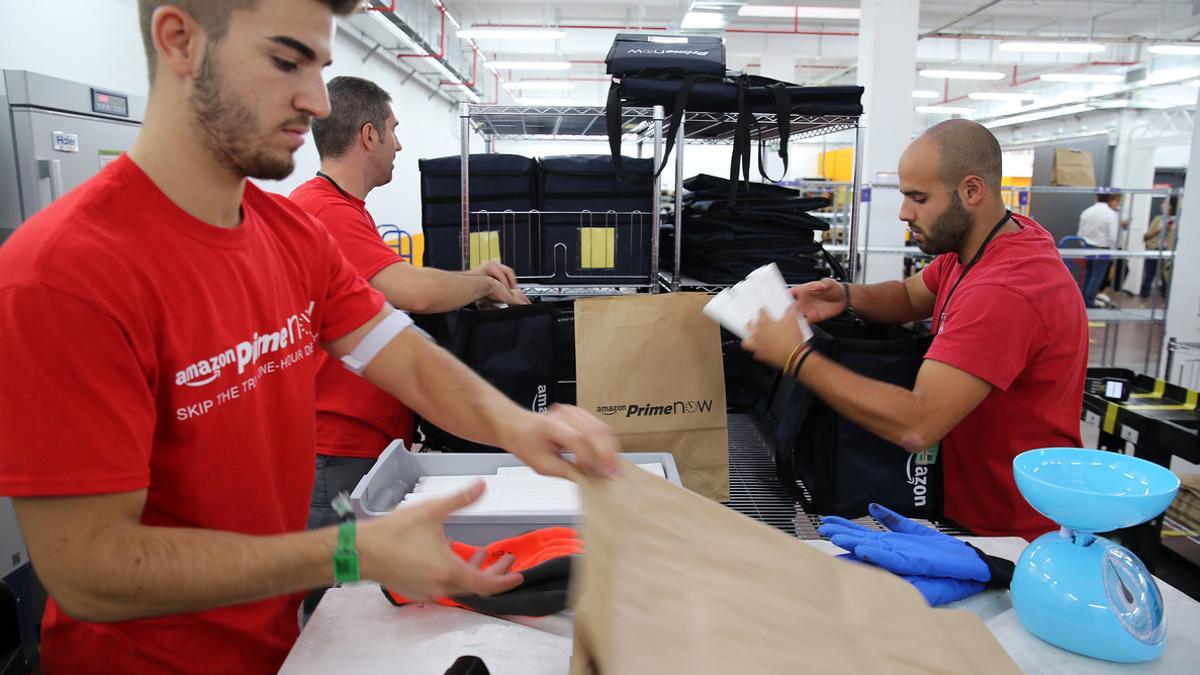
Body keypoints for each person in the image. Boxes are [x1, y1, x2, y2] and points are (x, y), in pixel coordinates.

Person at [0, 2, 619, 673]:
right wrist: (350, 550)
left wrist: (520, 427)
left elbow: (403, 356)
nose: (317, 101)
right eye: (285, 60)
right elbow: (89, 568)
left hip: (277, 644)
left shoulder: (290, 237)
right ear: (179, 42)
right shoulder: (64, 274)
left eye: (321, 67)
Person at [742, 119, 1088, 541]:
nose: (905, 212)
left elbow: (917, 424)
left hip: (1012, 530)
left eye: (919, 198)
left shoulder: (1005, 290)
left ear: (972, 191)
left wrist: (796, 356)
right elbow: (911, 295)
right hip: (966, 505)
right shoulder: (983, 247)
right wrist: (845, 296)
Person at [289, 75, 531, 530]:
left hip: (361, 441)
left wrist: (470, 280)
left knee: (359, 574)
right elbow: (412, 291)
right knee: (340, 579)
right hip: (338, 449)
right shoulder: (326, 213)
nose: (398, 145)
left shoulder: (343, 209)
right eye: (393, 130)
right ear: (368, 136)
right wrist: (483, 286)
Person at [1076, 192, 1124, 308]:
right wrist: (1114, 250)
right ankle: (1089, 300)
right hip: (1102, 248)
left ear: (1096, 197)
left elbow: (1080, 233)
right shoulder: (1110, 214)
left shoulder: (1086, 212)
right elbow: (1113, 236)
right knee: (1097, 275)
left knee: (1088, 273)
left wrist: (1084, 246)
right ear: (1109, 198)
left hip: (1088, 247)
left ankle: (1083, 298)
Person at [1140, 196, 1177, 299]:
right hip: (1154, 250)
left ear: (1171, 206)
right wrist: (1161, 228)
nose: (1161, 205)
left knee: (1166, 276)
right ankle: (1143, 297)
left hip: (1168, 252)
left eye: (1164, 203)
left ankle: (1166, 299)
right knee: (1149, 275)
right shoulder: (1157, 219)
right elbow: (1147, 235)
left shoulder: (1176, 220)